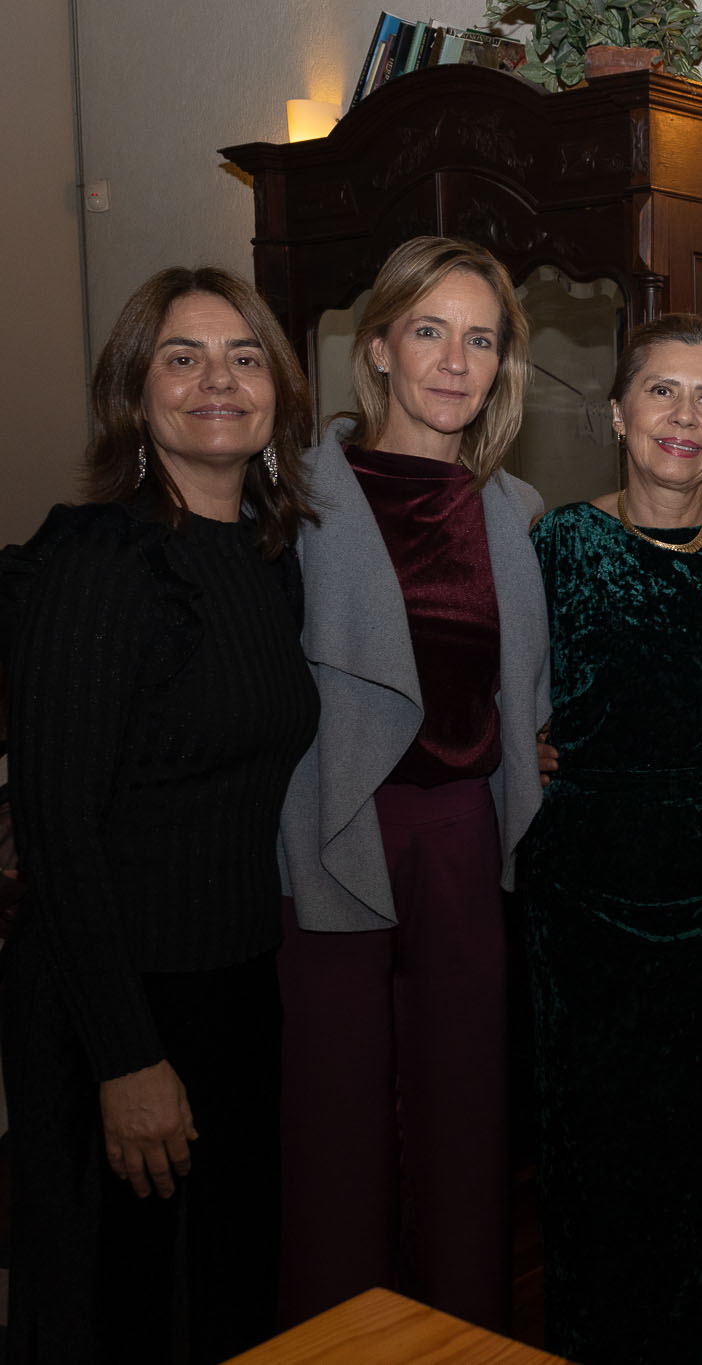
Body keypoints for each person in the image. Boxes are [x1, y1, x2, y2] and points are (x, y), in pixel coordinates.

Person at [2, 267, 319, 1361]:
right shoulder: (99, 560)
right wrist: (125, 1058)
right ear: (134, 395)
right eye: (182, 358)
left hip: (234, 984)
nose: (217, 381)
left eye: (243, 357)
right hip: (115, 1001)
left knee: (227, 1293)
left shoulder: (268, 559)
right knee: (126, 1310)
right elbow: (56, 828)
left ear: (278, 389)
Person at [275, 235, 549, 1330]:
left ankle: (464, 1335)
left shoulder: (513, 509)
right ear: (380, 346)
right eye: (429, 331)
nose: (454, 361)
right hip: (333, 829)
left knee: (464, 1118)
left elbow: (523, 686)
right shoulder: (292, 497)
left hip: (462, 833)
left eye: (479, 339)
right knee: (335, 1123)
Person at [517, 314, 702, 1361]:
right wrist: (516, 739)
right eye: (662, 392)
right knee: (595, 1142)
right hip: (584, 894)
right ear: (618, 413)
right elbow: (497, 686)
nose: (684, 416)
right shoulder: (555, 545)